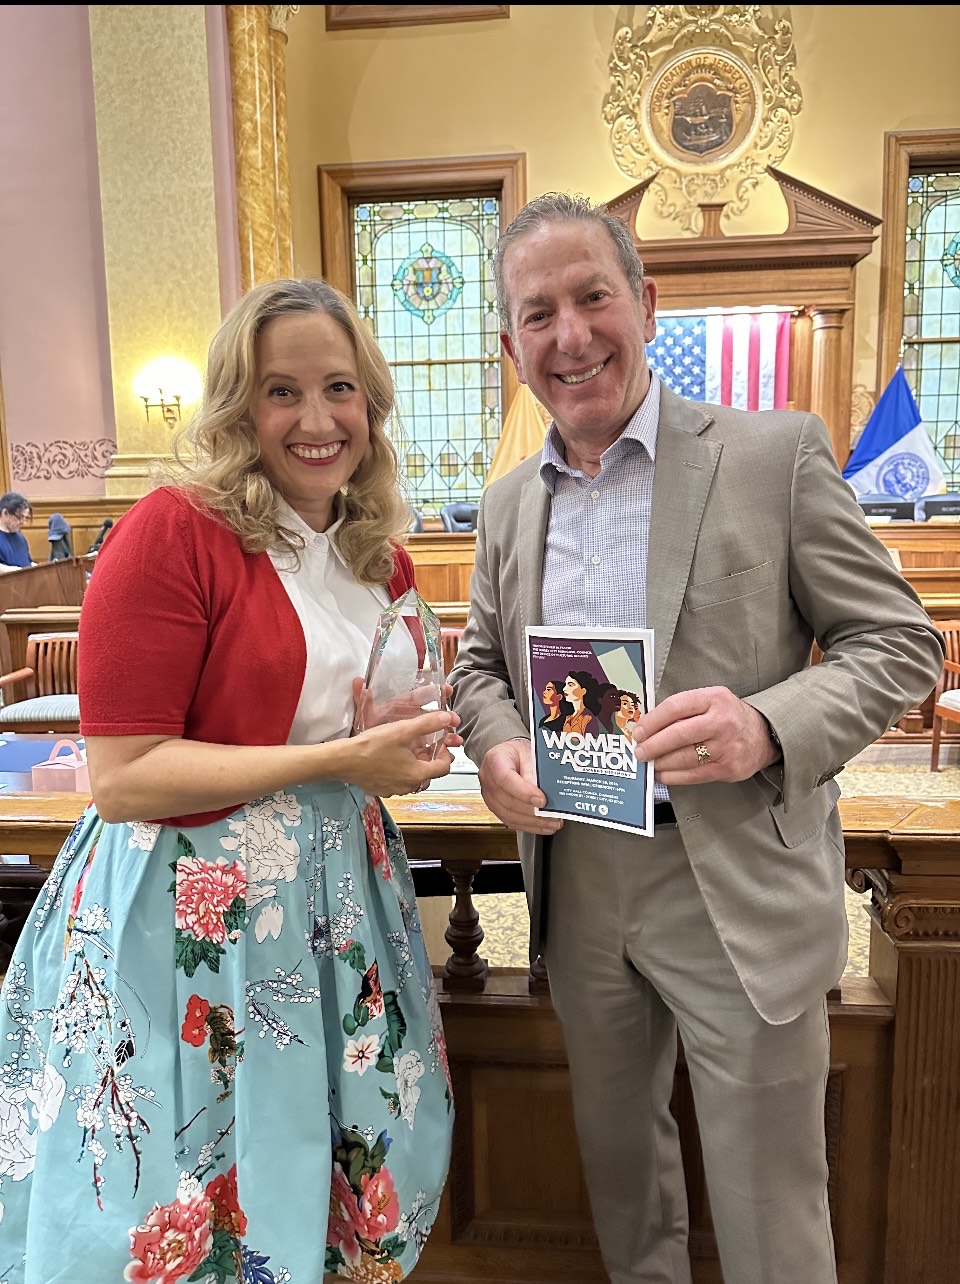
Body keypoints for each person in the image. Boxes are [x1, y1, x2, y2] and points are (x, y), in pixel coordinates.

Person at [449, 192, 945, 1284]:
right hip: (579, 878)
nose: (571, 336)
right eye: (540, 313)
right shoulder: (503, 507)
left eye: (593, 298)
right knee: (627, 1193)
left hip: (734, 878)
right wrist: (496, 750)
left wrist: (766, 722)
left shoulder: (773, 456)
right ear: (511, 346)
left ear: (646, 303)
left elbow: (904, 645)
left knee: (772, 1216)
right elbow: (478, 670)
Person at [0, 278, 459, 1284]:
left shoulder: (378, 558)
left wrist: (397, 749)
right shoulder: (172, 532)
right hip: (191, 908)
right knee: (189, 1171)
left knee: (335, 1147)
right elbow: (121, 777)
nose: (316, 417)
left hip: (339, 902)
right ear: (236, 409)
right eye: (279, 390)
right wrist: (343, 760)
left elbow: (368, 743)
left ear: (371, 405)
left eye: (339, 387)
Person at [561, 669, 601, 735]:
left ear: (583, 691)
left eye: (570, 685)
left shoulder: (588, 718)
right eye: (565, 684)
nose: (564, 689)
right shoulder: (568, 718)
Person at [0, 491, 33, 569]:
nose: (23, 523)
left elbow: (27, 562)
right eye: (20, 517)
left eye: (26, 518)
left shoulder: (21, 539)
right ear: (5, 513)